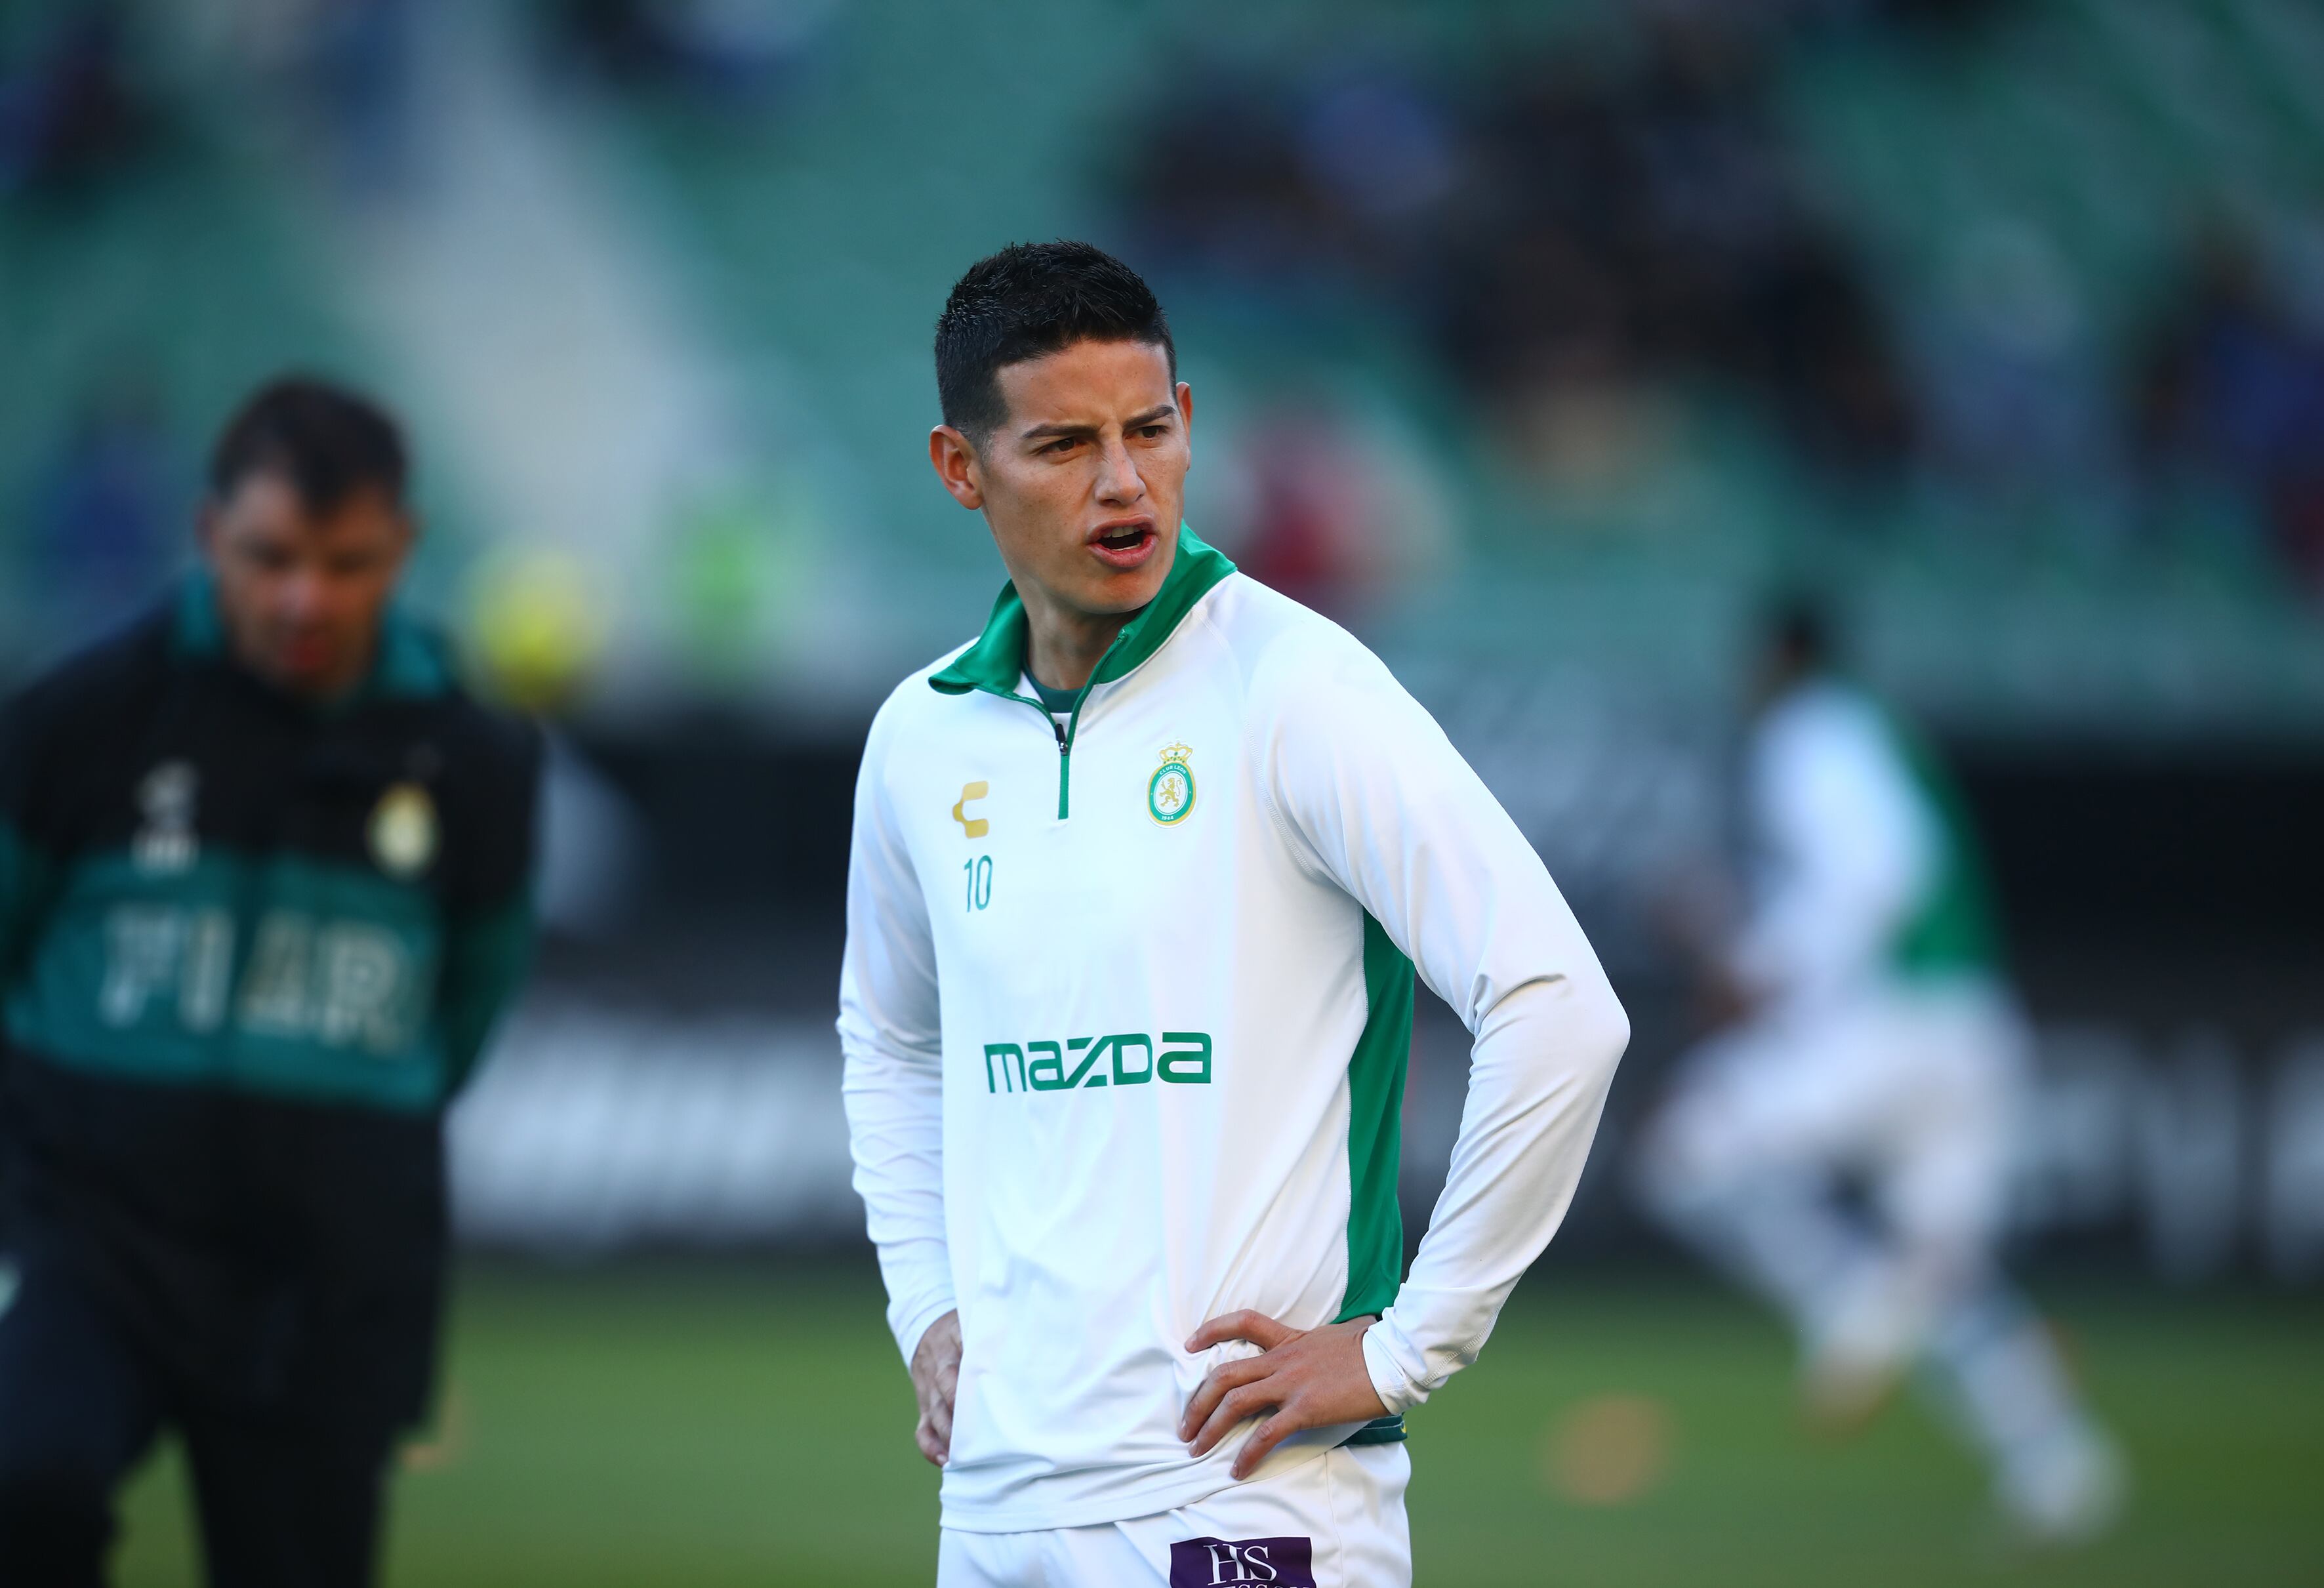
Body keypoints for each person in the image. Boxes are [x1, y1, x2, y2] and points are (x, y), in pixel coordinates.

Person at [839, 241, 1629, 1586]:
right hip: (995, 1507)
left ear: (1189, 423)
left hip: (1246, 1503)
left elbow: (1558, 1006)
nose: (1120, 480)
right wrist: (928, 1306)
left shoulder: (1295, 687)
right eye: (1062, 443)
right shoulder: (921, 738)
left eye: (1148, 430)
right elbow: (890, 1040)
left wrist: (1401, 1344)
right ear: (958, 470)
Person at [0, 377, 540, 1586]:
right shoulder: (79, 719)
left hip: (328, 1274)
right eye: (271, 556)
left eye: (346, 562)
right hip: (93, 1243)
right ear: (208, 539)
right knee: (23, 1486)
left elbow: (466, 1008)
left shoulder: (476, 763)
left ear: (401, 545)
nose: (306, 597)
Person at [1634, 602, 2125, 1547]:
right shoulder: (1880, 733)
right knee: (1945, 1273)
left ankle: (1849, 1302)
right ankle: (2059, 1461)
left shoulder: (1812, 731)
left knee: (1686, 1153)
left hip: (1894, 1028)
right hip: (1974, 1029)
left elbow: (1877, 871)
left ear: (1780, 656)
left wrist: (1764, 970)